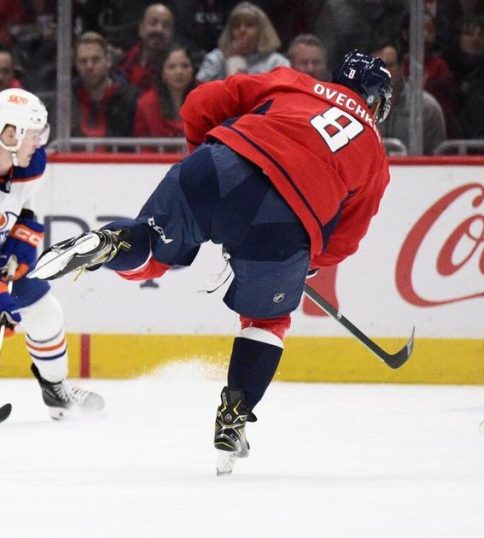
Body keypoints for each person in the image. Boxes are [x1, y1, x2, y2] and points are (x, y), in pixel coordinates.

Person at [30, 52, 393, 475]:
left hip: (219, 164)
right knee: (266, 321)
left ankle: (111, 242)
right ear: (377, 100)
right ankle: (233, 418)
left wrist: (205, 165)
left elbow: (200, 103)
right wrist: (304, 262)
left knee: (150, 246)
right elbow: (345, 239)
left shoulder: (294, 82)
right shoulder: (375, 156)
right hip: (284, 224)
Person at [0, 88, 105, 419]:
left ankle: (57, 392)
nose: (39, 143)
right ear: (10, 134)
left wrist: (20, 246)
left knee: (45, 313)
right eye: (33, 134)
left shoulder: (28, 163)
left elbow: (25, 209)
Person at [373, 42, 446, 155]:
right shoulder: (358, 107)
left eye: (389, 65)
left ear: (402, 67)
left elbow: (437, 158)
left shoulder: (427, 108)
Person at [196, 2, 290, 82]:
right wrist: (231, 57)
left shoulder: (277, 62)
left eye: (249, 25)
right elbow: (200, 87)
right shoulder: (216, 57)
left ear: (262, 31)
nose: (242, 30)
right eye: (237, 26)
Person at [72, 32, 138, 141]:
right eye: (83, 61)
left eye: (96, 59)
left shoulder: (132, 100)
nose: (89, 66)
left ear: (108, 61)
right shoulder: (67, 100)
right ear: (76, 65)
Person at [133, 44, 197, 142]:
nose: (179, 72)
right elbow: (142, 144)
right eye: (171, 67)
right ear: (162, 73)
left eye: (185, 66)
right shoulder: (146, 104)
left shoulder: (206, 98)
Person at [117, 3, 175, 93]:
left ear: (172, 34)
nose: (159, 29)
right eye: (153, 23)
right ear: (141, 28)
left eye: (166, 25)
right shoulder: (121, 59)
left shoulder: (175, 71)